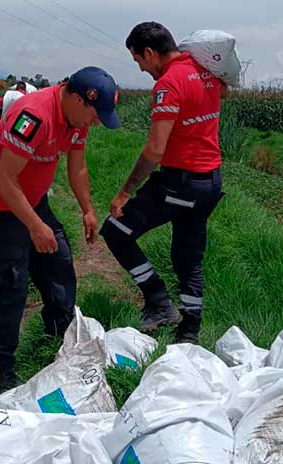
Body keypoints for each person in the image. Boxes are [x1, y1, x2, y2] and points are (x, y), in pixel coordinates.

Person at [0, 67, 120, 392]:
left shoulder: (77, 119)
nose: (95, 123)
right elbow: (3, 179)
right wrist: (36, 227)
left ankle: (57, 343)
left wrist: (88, 210)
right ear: (79, 99)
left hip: (32, 199)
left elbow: (77, 166)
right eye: (96, 115)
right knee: (11, 286)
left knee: (59, 266)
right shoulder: (33, 116)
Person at [100, 22, 228, 344]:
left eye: (139, 61)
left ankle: (158, 301)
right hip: (210, 183)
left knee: (116, 231)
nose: (142, 69)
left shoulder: (168, 84)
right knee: (188, 255)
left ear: (150, 52)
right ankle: (189, 332)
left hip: (180, 184)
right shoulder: (206, 72)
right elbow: (223, 91)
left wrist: (125, 191)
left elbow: (155, 150)